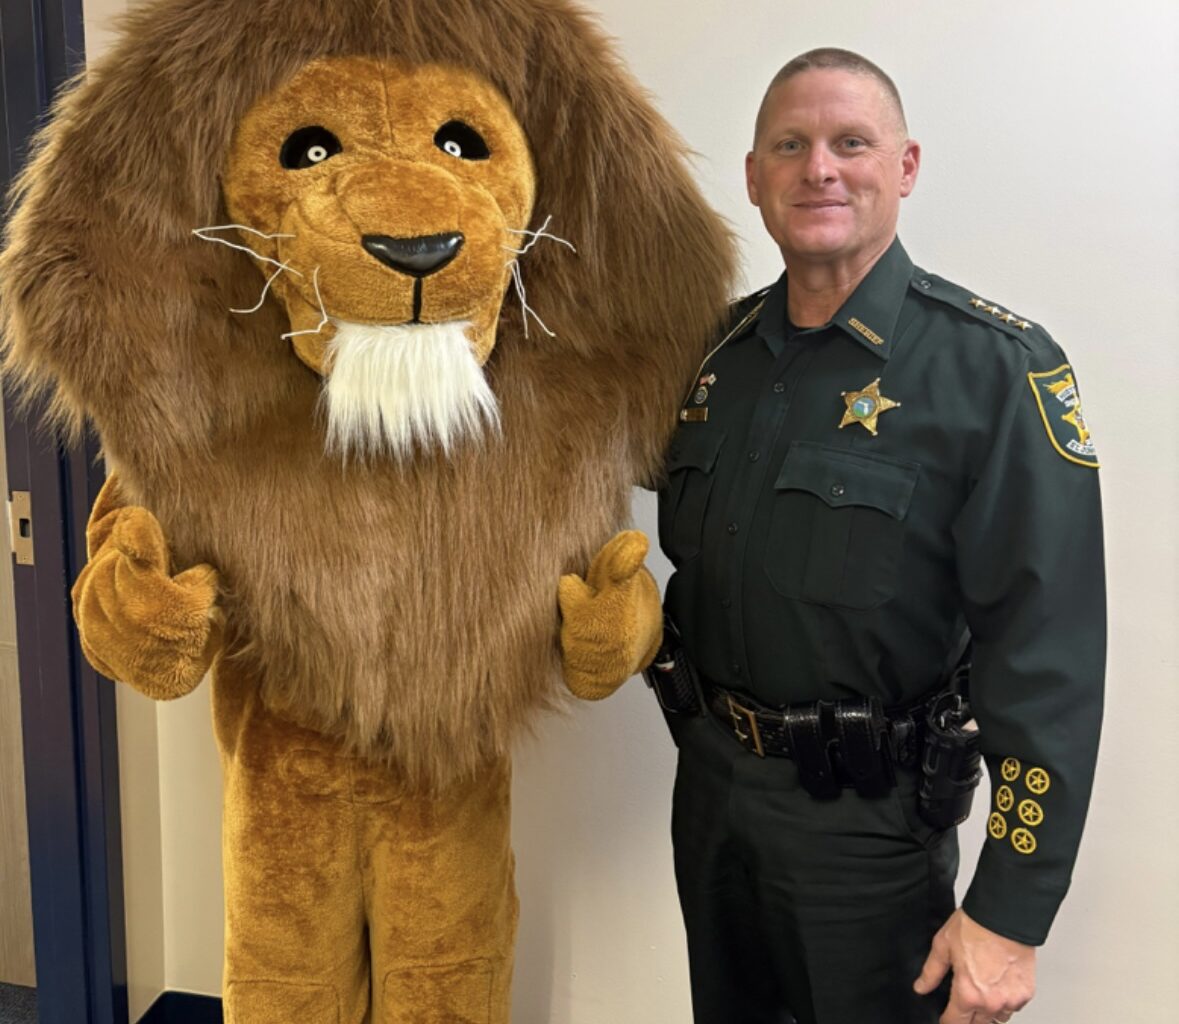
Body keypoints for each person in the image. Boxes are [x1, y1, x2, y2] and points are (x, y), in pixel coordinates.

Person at [560, 46, 1104, 1024]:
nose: (820, 167)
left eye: (851, 142)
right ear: (755, 180)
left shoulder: (993, 372)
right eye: (790, 145)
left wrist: (1010, 912)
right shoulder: (709, 359)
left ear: (904, 167)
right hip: (713, 801)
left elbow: (1049, 659)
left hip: (869, 833)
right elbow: (569, 454)